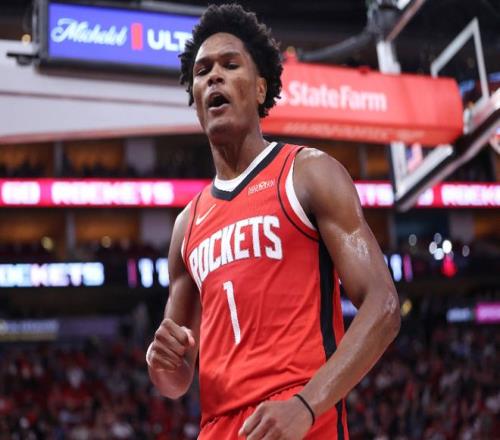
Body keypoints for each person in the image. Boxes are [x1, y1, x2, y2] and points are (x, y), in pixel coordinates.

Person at [147, 4, 400, 439]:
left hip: (298, 417)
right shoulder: (186, 225)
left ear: (261, 88)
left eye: (230, 65)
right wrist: (161, 362)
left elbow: (384, 306)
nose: (214, 77)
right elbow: (176, 380)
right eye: (203, 72)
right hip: (217, 428)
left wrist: (306, 405)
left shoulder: (308, 173)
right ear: (196, 103)